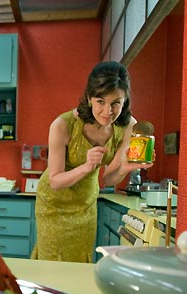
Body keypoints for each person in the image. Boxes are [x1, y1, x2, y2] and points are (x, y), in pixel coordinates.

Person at [31, 61, 153, 262]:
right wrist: (87, 166)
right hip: (54, 204)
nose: (108, 111)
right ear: (89, 98)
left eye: (116, 103)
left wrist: (125, 167)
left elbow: (110, 179)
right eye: (101, 101)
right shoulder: (63, 125)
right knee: (54, 261)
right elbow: (55, 180)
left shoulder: (128, 126)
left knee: (81, 260)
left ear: (125, 101)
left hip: (86, 204)